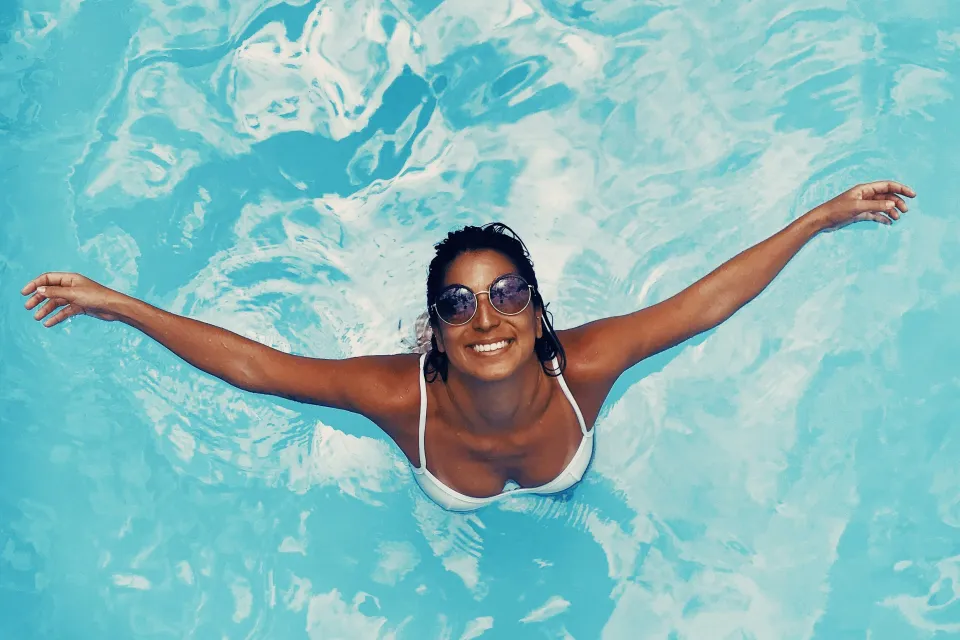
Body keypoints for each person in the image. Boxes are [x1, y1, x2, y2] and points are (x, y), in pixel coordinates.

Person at [21, 181, 915, 511]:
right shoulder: (396, 396)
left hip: (567, 482)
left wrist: (821, 219)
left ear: (536, 312)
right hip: (440, 500)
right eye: (458, 303)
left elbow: (705, 304)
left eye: (505, 294)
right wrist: (117, 305)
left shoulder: (587, 368)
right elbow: (260, 368)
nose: (484, 318)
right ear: (436, 329)